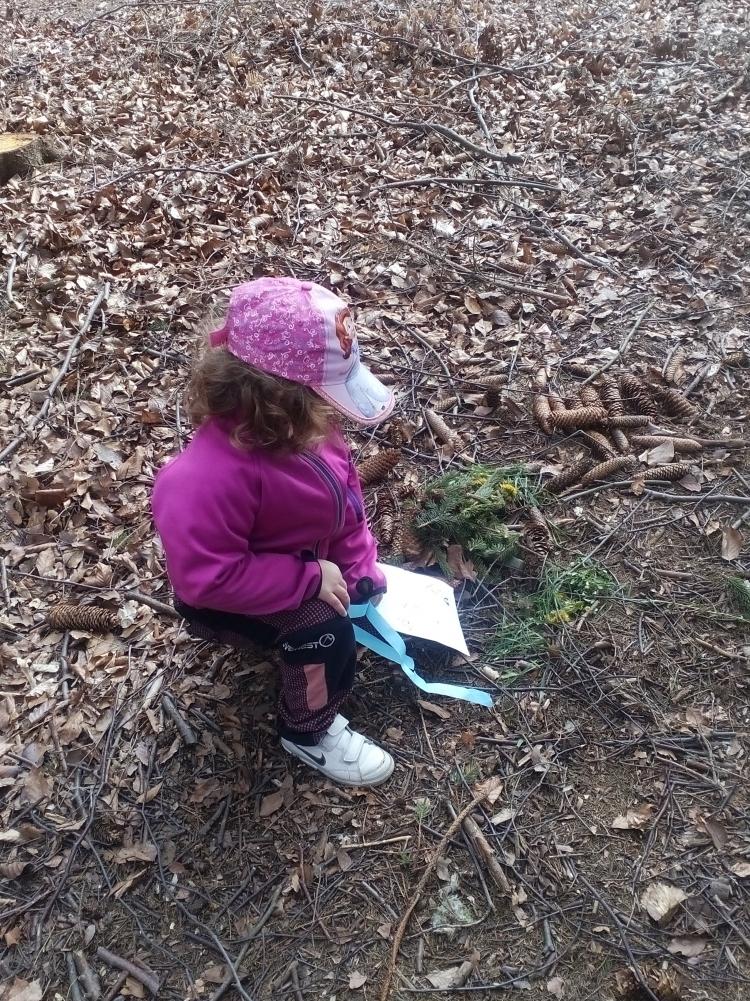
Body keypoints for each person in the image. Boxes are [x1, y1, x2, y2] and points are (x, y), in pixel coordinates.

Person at [152, 277, 397, 787]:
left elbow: (346, 501)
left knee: (337, 609)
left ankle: (308, 634)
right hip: (227, 599)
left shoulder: (308, 429)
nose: (329, 415)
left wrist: (358, 566)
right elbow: (206, 579)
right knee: (324, 632)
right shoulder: (204, 479)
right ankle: (308, 730)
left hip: (298, 563)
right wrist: (309, 579)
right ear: (275, 399)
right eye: (319, 400)